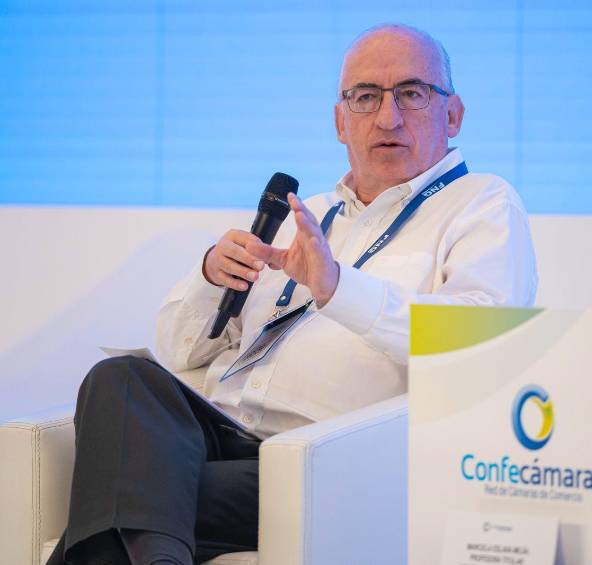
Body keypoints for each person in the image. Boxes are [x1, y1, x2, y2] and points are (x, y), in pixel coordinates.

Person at [48, 23, 537, 565]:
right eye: (365, 97)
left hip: (329, 461)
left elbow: (480, 351)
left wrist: (337, 288)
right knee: (121, 379)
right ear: (339, 121)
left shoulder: (482, 204)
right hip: (223, 434)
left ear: (453, 114)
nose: (387, 117)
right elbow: (182, 352)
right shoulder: (305, 213)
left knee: (127, 492)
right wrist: (211, 279)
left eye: (412, 93)